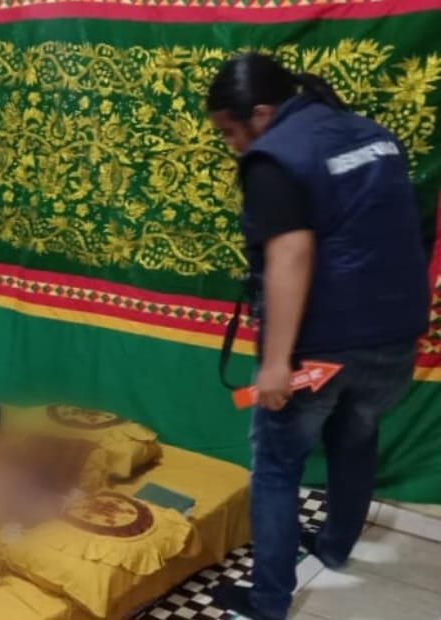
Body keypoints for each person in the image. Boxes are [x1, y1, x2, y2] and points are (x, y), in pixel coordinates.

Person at [205, 53, 429, 620]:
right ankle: (334, 545)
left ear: (261, 113)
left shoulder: (275, 157)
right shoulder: (374, 136)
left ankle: (267, 602)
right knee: (357, 437)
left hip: (322, 348)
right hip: (395, 335)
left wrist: (276, 363)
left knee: (277, 466)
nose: (232, 145)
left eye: (230, 132)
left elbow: (291, 254)